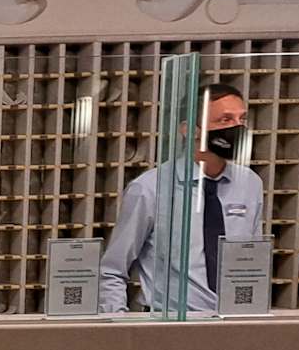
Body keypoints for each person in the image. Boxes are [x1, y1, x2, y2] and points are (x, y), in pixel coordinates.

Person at [98, 83, 262, 314]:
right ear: (190, 130)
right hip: (171, 322)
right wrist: (117, 321)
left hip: (235, 320)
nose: (237, 127)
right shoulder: (150, 188)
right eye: (225, 120)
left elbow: (253, 261)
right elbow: (113, 269)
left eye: (241, 119)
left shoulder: (250, 184)